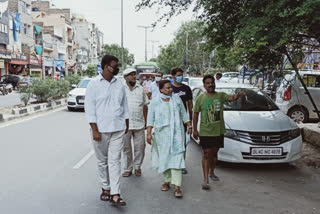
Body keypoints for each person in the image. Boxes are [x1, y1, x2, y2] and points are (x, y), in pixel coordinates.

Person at [85, 55, 129, 206]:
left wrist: (126, 122)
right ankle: (106, 187)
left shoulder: (120, 83)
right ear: (105, 67)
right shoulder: (93, 84)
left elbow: (124, 105)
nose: (117, 68)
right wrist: (94, 130)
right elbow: (90, 109)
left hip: (118, 128)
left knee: (115, 160)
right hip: (100, 129)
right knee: (102, 161)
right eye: (114, 65)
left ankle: (115, 193)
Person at [193, 74, 244, 190]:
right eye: (208, 83)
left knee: (214, 154)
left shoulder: (220, 96)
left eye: (212, 82)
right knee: (206, 154)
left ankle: (212, 172)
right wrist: (194, 129)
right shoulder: (200, 98)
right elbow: (195, 114)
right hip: (205, 132)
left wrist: (238, 96)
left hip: (218, 131)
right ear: (204, 85)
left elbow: (231, 98)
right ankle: (205, 180)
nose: (210, 85)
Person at [146, 80, 192, 199]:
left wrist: (189, 125)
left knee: (177, 159)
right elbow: (150, 118)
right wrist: (149, 133)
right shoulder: (155, 102)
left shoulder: (176, 99)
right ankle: (166, 181)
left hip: (177, 134)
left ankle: (177, 186)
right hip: (162, 136)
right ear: (161, 89)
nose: (170, 90)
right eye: (167, 88)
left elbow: (184, 113)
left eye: (170, 88)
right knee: (165, 158)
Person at [122, 68, 149, 177]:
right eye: (130, 75)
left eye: (134, 74)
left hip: (139, 124)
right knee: (126, 148)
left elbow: (145, 105)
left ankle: (137, 166)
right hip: (124, 125)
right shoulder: (121, 89)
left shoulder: (141, 89)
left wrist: (146, 122)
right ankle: (128, 168)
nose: (134, 77)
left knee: (140, 147)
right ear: (125, 77)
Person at [171, 67, 193, 174]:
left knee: (183, 143)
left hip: (183, 121)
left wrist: (190, 123)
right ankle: (171, 163)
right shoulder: (169, 88)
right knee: (171, 143)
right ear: (173, 76)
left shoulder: (186, 88)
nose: (180, 77)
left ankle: (181, 164)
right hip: (171, 121)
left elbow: (190, 106)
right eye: (178, 75)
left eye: (181, 75)